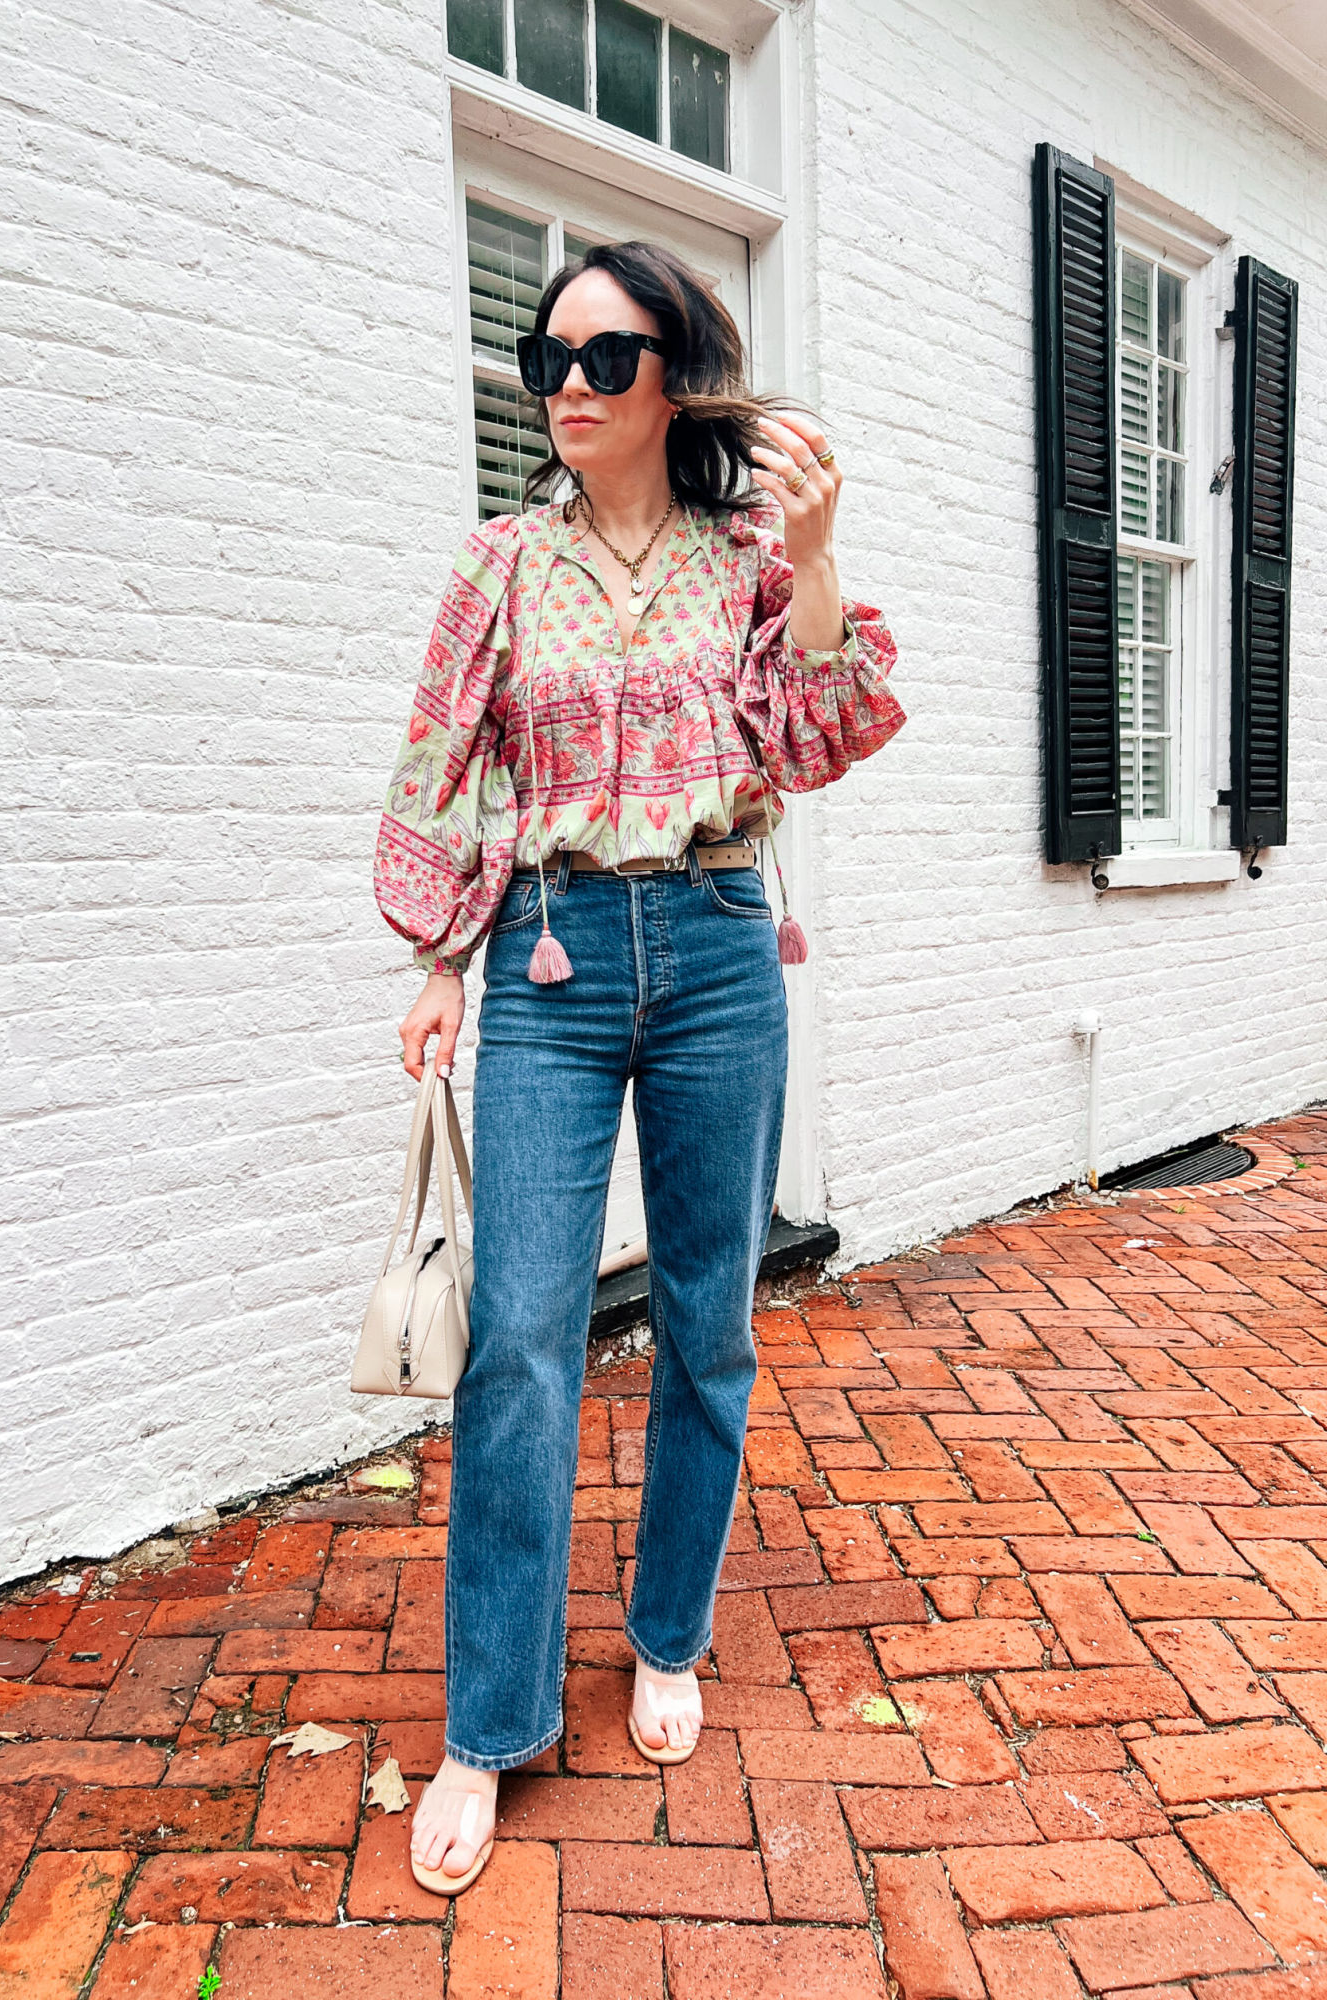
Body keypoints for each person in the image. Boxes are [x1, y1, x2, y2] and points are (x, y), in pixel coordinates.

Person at [372, 239, 906, 1894]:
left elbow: (822, 734)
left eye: (607, 358)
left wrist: (815, 566)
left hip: (722, 947)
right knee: (519, 1343)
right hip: (545, 957)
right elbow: (440, 760)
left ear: (677, 369)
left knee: (706, 1321)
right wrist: (434, 961)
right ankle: (489, 1721)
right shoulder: (496, 571)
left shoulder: (750, 557)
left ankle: (666, 1631)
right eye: (550, 363)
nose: (574, 389)